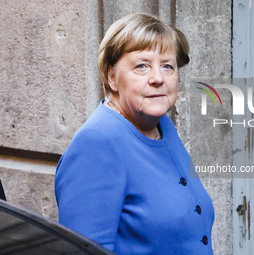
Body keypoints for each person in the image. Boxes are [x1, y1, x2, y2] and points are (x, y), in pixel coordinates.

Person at [55, 13, 214, 255]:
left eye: (167, 66)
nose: (158, 78)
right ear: (112, 77)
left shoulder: (163, 127)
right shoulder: (97, 144)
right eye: (142, 66)